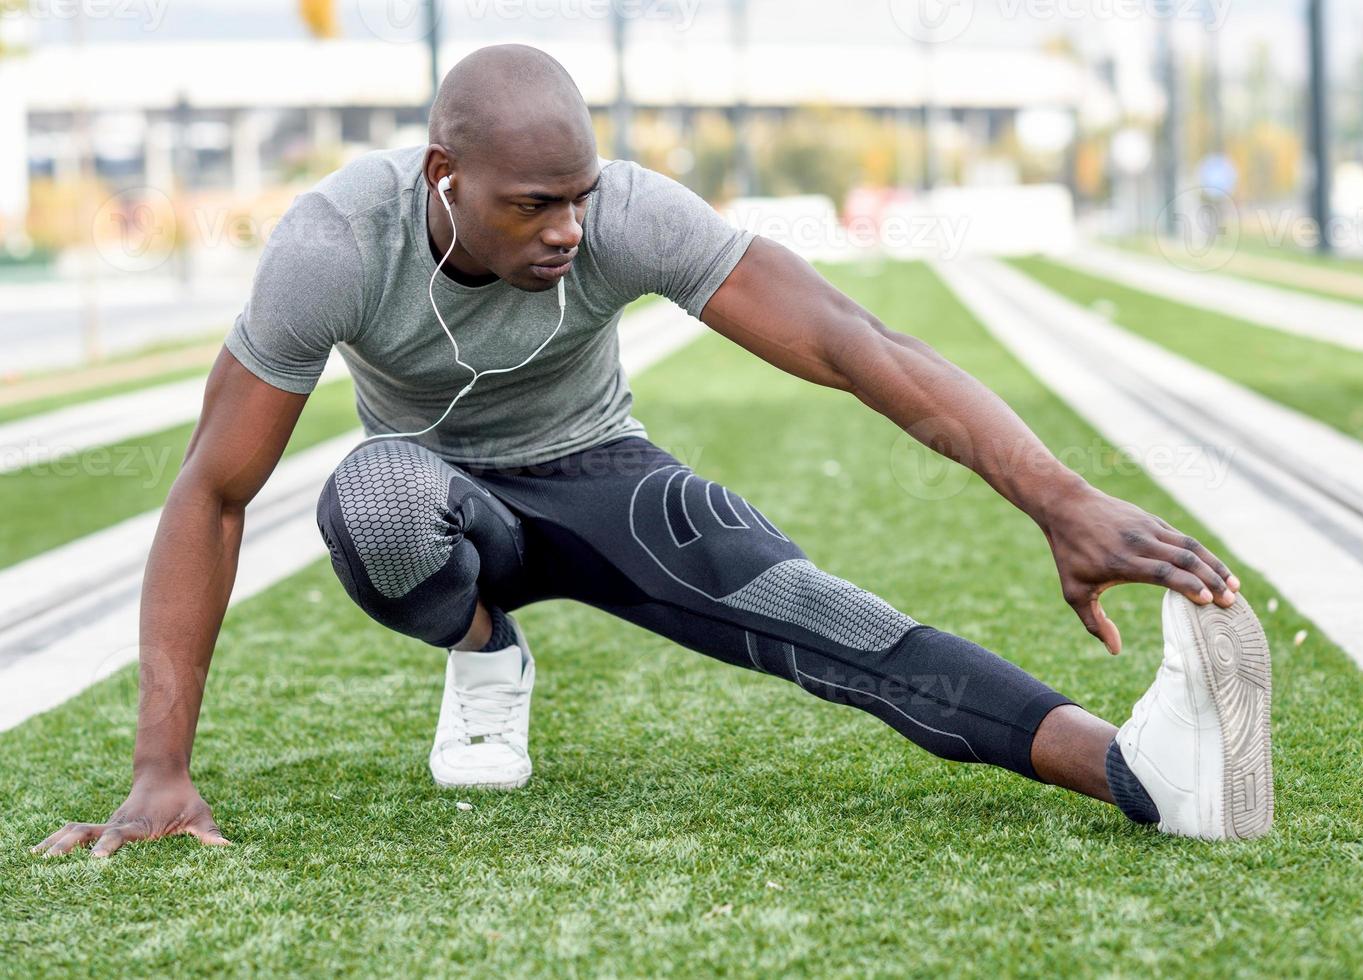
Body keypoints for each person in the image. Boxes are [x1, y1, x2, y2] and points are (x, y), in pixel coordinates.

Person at [32, 45, 1272, 860]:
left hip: (600, 475)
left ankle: (1138, 769)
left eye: (578, 196)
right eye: (532, 205)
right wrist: (159, 769)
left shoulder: (621, 211)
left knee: (839, 628)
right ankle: (481, 654)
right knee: (377, 495)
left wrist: (1052, 495)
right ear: (442, 176)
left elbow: (850, 341)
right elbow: (213, 488)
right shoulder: (334, 243)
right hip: (442, 501)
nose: (569, 228)